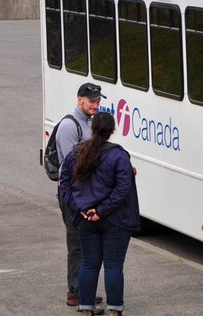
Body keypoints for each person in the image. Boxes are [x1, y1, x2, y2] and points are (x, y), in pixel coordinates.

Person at [59, 111, 140, 316]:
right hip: (115, 221)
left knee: (88, 263)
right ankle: (115, 309)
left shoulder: (77, 153)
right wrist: (101, 211)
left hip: (85, 220)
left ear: (92, 128)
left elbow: (64, 184)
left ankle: (85, 308)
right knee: (113, 266)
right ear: (112, 131)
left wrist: (81, 208)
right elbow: (123, 188)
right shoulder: (119, 155)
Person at [57, 82, 105, 310]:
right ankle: (75, 292)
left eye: (98, 101)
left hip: (85, 190)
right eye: (92, 101)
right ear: (80, 100)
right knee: (76, 242)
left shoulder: (89, 123)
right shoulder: (69, 125)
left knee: (86, 242)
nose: (96, 105)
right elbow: (71, 165)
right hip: (73, 192)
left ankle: (84, 289)